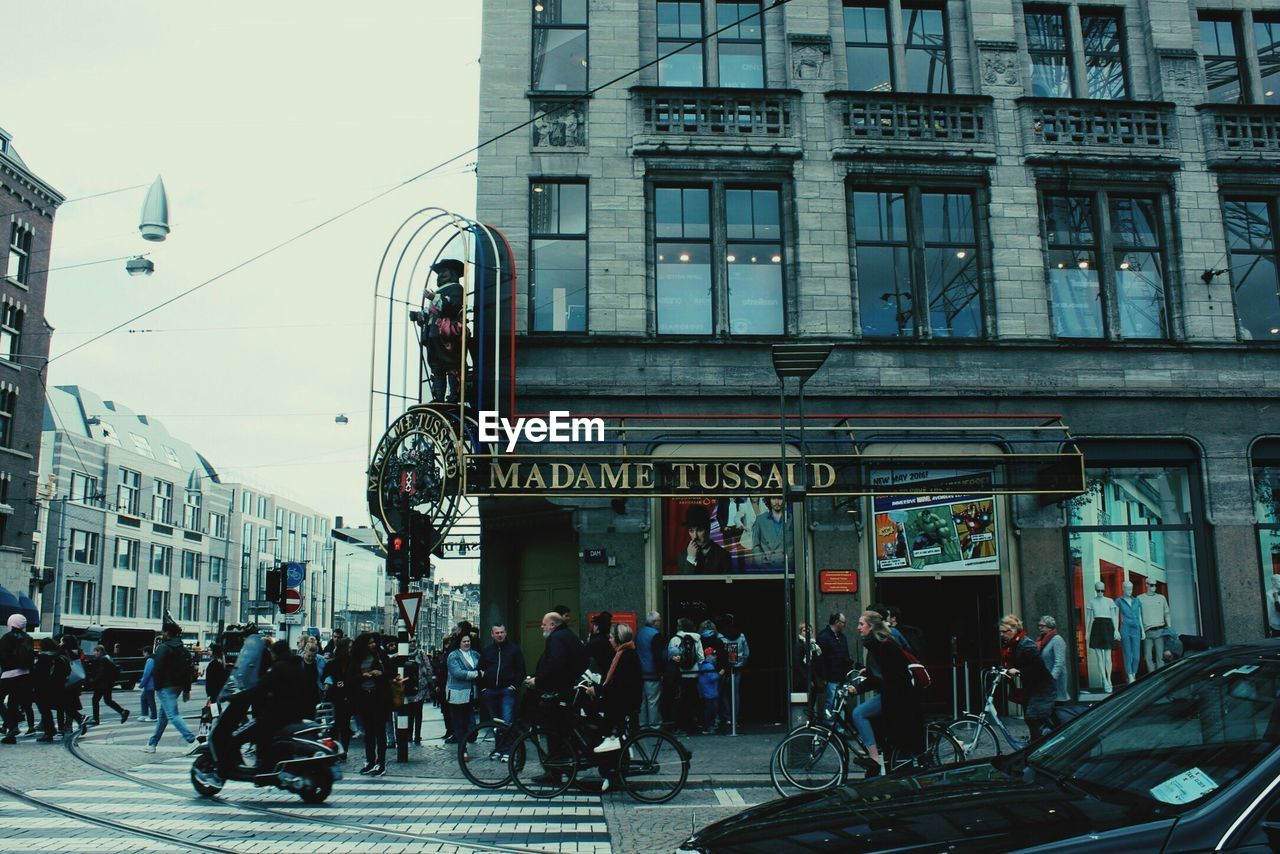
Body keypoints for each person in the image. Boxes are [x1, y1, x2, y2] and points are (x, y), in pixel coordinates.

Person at [850, 610, 923, 775]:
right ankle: (878, 758)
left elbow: (883, 676)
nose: (858, 627)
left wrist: (858, 688)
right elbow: (882, 673)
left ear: (871, 626)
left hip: (897, 698)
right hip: (895, 694)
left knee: (858, 713)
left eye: (861, 624)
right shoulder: (880, 644)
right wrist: (868, 673)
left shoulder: (883, 646)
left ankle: (874, 759)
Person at [527, 612, 587, 786]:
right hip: (570, 691)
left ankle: (554, 773)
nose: (541, 626)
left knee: (553, 732)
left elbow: (556, 663)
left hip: (559, 693)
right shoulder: (570, 636)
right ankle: (568, 770)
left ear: (552, 625)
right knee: (566, 732)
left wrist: (539, 680)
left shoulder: (556, 639)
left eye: (544, 624)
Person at [417, 258, 467, 403]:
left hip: (447, 333)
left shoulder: (456, 288)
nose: (440, 275)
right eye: (439, 272)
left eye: (443, 271)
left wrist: (434, 297)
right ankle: (438, 396)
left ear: (453, 273)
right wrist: (420, 315)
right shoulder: (439, 291)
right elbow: (432, 312)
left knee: (450, 362)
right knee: (436, 364)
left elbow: (452, 306)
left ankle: (454, 395)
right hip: (433, 334)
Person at [999, 614, 1056, 740]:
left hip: (1042, 689)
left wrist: (1018, 670)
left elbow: (1038, 667)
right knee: (1032, 720)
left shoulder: (1026, 644)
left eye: (1004, 632)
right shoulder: (1012, 645)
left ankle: (1040, 749)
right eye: (1001, 632)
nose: (1001, 634)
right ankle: (1038, 745)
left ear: (1013, 630)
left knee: (1033, 718)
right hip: (1031, 687)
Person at [590, 623, 642, 752]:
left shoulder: (625, 656)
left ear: (619, 640)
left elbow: (619, 683)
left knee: (601, 712)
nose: (609, 640)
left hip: (625, 702)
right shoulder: (626, 653)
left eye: (612, 638)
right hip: (628, 699)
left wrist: (597, 690)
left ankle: (610, 738)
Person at [146, 622, 197, 753]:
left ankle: (192, 740)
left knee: (173, 715)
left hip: (165, 686)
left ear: (167, 633)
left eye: (163, 632)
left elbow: (158, 669)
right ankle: (152, 744)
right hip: (178, 686)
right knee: (163, 715)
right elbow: (188, 670)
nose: (162, 634)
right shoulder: (183, 649)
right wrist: (187, 689)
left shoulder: (163, 647)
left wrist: (157, 687)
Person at [477, 624, 525, 759]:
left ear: (506, 633)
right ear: (492, 634)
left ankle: (508, 751)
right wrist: (483, 688)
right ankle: (499, 749)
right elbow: (479, 670)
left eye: (502, 632)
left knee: (506, 722)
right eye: (497, 633)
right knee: (496, 724)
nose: (500, 635)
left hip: (506, 691)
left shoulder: (514, 650)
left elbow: (521, 670)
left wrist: (514, 685)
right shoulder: (487, 651)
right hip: (490, 691)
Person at [349, 632, 392, 775]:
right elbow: (350, 677)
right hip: (364, 698)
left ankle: (381, 763)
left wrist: (381, 674)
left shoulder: (381, 656)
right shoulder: (357, 658)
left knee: (380, 731)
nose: (373, 645)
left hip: (379, 697)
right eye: (370, 643)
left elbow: (392, 672)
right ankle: (370, 761)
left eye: (374, 642)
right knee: (369, 732)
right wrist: (362, 676)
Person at [0, 613, 35, 743]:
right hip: (24, 675)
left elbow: (2, 656)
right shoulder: (28, 638)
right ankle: (11, 735)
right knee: (13, 703)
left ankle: (11, 725)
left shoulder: (7, 637)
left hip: (9, 674)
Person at [667, 617, 705, 736]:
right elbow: (701, 657)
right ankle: (692, 725)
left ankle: (680, 726)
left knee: (680, 701)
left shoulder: (675, 639)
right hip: (694, 675)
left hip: (680, 674)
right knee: (693, 700)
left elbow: (670, 656)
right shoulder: (697, 639)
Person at [445, 632, 481, 751]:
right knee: (459, 722)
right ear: (459, 643)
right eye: (464, 641)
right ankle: (462, 749)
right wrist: (476, 674)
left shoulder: (475, 654)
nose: (467, 643)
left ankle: (469, 739)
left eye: (468, 641)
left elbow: (482, 665)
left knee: (471, 721)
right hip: (457, 694)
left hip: (470, 693)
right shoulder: (453, 656)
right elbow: (457, 673)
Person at [30, 638, 69, 743]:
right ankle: (52, 730)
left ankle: (49, 731)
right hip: (58, 687)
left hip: (43, 688)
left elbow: (37, 674)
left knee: (45, 711)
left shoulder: (43, 657)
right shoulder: (60, 656)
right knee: (54, 710)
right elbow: (67, 672)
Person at [717, 614, 749, 734]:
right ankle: (734, 717)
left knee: (723, 693)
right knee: (735, 693)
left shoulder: (720, 636)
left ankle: (727, 716)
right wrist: (741, 662)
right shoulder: (741, 635)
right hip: (737, 667)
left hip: (725, 669)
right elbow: (746, 652)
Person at [816, 612, 852, 718]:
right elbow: (820, 660)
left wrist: (849, 672)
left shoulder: (842, 637)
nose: (845, 625)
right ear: (837, 622)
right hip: (831, 677)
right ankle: (829, 727)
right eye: (843, 622)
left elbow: (846, 655)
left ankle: (839, 730)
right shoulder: (823, 637)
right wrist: (824, 678)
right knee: (831, 703)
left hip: (843, 676)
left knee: (841, 704)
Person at [324, 636, 355, 751]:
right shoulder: (333, 663)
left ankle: (344, 750)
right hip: (335, 697)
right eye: (349, 647)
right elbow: (325, 677)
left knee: (345, 726)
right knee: (334, 726)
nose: (351, 650)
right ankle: (333, 749)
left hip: (347, 697)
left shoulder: (353, 663)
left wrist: (346, 683)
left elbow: (355, 678)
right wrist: (333, 683)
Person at [681, 505, 731, 574]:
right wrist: (691, 558)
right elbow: (682, 584)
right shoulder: (683, 555)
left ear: (708, 528)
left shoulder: (723, 555)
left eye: (699, 530)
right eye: (691, 530)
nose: (695, 536)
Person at [635, 611, 664, 727]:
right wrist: (661, 672)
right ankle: (654, 726)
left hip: (640, 673)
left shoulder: (639, 633)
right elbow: (658, 656)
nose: (660, 622)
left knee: (642, 702)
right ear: (654, 622)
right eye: (659, 620)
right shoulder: (655, 635)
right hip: (652, 673)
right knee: (653, 701)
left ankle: (642, 725)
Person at [89, 644, 129, 725]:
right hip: (108, 684)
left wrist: (93, 680)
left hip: (102, 684)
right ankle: (123, 711)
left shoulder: (103, 659)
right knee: (108, 701)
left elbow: (101, 672)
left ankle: (96, 719)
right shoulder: (106, 658)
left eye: (95, 652)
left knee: (95, 700)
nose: (94, 654)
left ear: (99, 651)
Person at [750, 496, 791, 569]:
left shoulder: (792, 519)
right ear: (768, 500)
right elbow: (755, 545)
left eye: (780, 498)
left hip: (789, 568)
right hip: (768, 568)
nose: (777, 502)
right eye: (773, 499)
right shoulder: (760, 520)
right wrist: (761, 563)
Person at [1036, 616, 1069, 705]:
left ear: (1050, 627)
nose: (1040, 628)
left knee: (1056, 708)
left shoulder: (1057, 640)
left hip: (1054, 682)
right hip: (1044, 681)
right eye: (1039, 626)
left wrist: (1052, 679)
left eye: (1042, 626)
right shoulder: (1042, 640)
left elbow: (1059, 662)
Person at [697, 646, 720, 735]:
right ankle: (708, 727)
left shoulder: (703, 665)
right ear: (708, 656)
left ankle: (707, 727)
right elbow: (712, 677)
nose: (715, 656)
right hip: (710, 692)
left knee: (707, 709)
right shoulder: (710, 666)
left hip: (705, 691)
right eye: (713, 655)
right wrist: (719, 674)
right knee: (711, 710)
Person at [138, 640, 158, 721]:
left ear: (146, 652)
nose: (143, 654)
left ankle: (153, 716)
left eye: (143, 652)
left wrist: (142, 683)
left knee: (150, 699)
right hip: (150, 683)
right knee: (144, 698)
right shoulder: (153, 659)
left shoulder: (150, 660)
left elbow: (147, 673)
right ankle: (145, 714)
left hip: (150, 683)